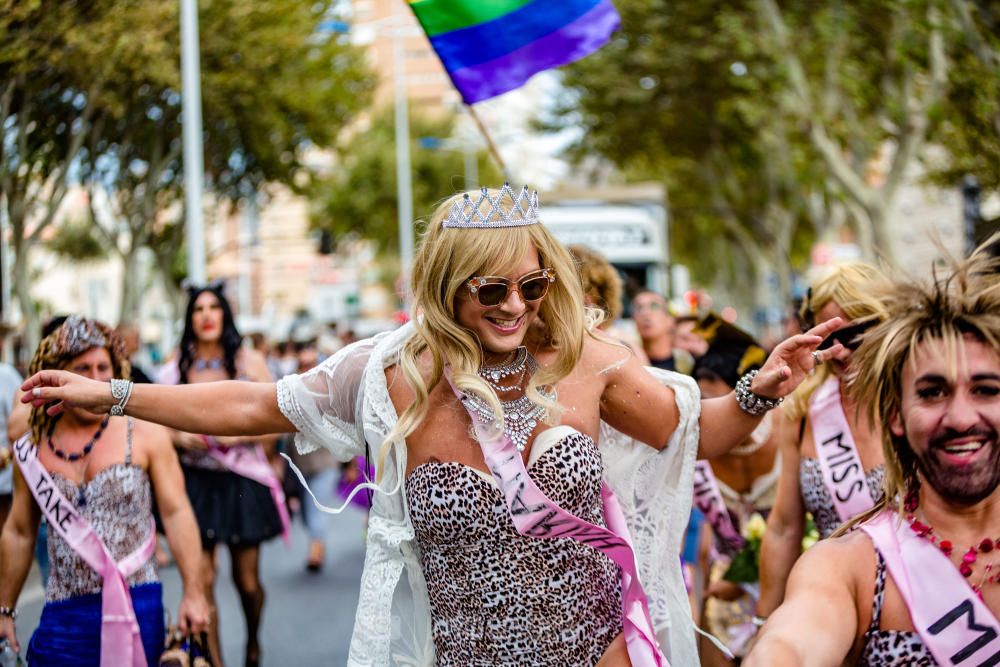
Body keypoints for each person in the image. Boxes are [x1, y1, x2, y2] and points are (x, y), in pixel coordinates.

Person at [19, 185, 843, 666]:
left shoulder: (588, 360)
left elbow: (700, 432)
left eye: (529, 285)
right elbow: (253, 404)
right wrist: (116, 396)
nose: (516, 307)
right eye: (491, 292)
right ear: (448, 288)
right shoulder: (388, 373)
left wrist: (763, 389)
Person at [746, 242, 1000, 665]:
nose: (959, 417)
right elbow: (795, 639)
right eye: (932, 392)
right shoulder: (847, 567)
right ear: (897, 413)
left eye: (987, 389)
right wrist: (764, 637)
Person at [0, 316, 208, 665]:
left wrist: (194, 591)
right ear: (60, 376)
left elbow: (176, 512)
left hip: (138, 600)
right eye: (83, 368)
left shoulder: (145, 434)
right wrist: (4, 609)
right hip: (64, 611)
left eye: (103, 368)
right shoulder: (33, 447)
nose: (95, 379)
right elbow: (20, 531)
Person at [157, 284, 286, 667]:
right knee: (203, 578)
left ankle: (252, 639)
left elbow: (275, 424)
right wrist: (179, 436)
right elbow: (156, 419)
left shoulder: (250, 363)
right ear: (190, 319)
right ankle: (214, 662)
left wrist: (233, 433)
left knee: (247, 582)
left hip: (241, 482)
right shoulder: (175, 364)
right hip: (196, 483)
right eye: (198, 309)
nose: (207, 315)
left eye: (215, 307)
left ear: (226, 315)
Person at [755, 263, 891, 622]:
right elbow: (785, 526)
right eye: (827, 341)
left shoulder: (913, 403)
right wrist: (764, 623)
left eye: (854, 336)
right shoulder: (802, 410)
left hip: (914, 602)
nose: (841, 353)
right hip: (836, 603)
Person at [691, 332, 778, 664]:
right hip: (722, 589)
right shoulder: (693, 442)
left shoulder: (785, 428)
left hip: (783, 580)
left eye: (714, 402)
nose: (704, 414)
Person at [568, 243, 648, 363]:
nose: (585, 304)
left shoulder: (621, 344)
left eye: (591, 291)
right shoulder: (547, 345)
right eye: (572, 294)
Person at [633, 290, 695, 374]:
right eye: (639, 308)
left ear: (670, 320)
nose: (645, 313)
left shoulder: (689, 363)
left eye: (654, 306)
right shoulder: (627, 361)